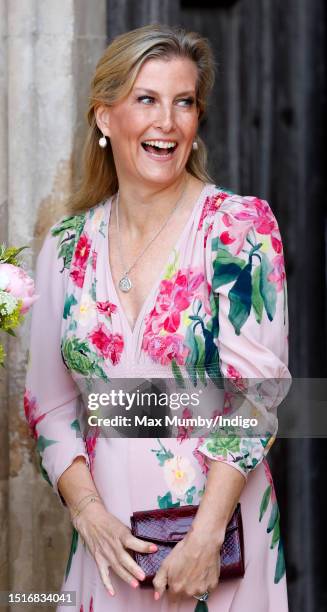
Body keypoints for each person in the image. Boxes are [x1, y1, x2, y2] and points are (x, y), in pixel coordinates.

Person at [24, 23, 291, 611]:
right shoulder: (66, 248)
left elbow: (258, 394)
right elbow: (48, 403)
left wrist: (205, 536)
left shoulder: (237, 229)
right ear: (104, 117)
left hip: (219, 539)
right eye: (146, 99)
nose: (166, 122)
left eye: (184, 102)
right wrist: (89, 514)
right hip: (109, 544)